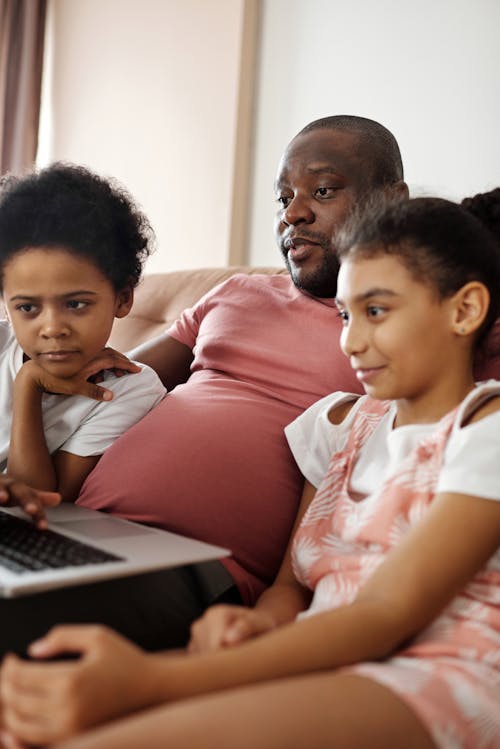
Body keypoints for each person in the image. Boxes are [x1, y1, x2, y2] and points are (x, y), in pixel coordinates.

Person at [2, 190, 500, 749]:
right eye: (343, 314)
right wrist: (252, 626)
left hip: (430, 670)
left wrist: (151, 680)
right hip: (313, 660)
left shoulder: (487, 427)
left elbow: (387, 613)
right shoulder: (335, 424)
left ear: (465, 310)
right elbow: (290, 588)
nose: (351, 342)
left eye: (376, 311)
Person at [0, 163, 165, 518]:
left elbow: (39, 502)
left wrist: (29, 384)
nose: (53, 328)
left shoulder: (128, 390)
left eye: (76, 304)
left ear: (122, 299)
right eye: (28, 307)